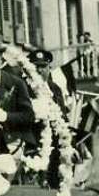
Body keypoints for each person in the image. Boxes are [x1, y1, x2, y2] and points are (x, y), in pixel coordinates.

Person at [28, 49, 68, 188]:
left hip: (54, 143)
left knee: (54, 180)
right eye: (35, 67)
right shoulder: (25, 87)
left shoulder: (55, 89)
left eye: (43, 66)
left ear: (49, 68)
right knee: (34, 184)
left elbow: (62, 115)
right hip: (32, 141)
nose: (39, 70)